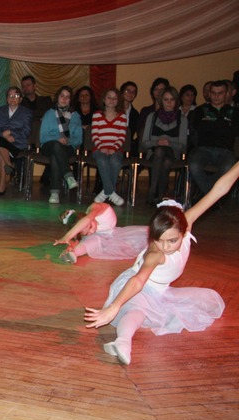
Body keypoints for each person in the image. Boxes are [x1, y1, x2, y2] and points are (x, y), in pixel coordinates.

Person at [84, 161, 239, 365]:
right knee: (136, 311)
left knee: (206, 302)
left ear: (184, 230)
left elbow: (218, 191)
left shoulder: (186, 222)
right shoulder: (155, 253)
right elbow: (138, 281)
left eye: (172, 241)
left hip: (160, 291)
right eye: (159, 239)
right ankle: (122, 342)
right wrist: (114, 306)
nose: (165, 246)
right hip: (137, 286)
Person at [188, 80, 239, 199]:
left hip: (225, 150)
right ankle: (213, 198)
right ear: (209, 94)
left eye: (220, 93)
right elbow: (197, 130)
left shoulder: (234, 112)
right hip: (203, 149)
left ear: (227, 94)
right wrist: (222, 126)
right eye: (213, 93)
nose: (216, 96)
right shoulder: (200, 110)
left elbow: (233, 132)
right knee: (194, 165)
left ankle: (207, 196)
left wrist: (212, 126)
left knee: (228, 168)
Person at [53, 202, 148, 264]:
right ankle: (73, 254)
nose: (91, 231)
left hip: (114, 233)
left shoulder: (96, 208)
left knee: (138, 240)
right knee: (90, 242)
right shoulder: (89, 230)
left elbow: (87, 219)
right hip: (100, 238)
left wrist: (67, 236)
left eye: (90, 227)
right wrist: (71, 247)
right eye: (87, 233)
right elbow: (79, 239)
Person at [140, 86, 188, 205]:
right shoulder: (152, 117)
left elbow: (183, 146)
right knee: (163, 158)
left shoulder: (182, 119)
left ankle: (152, 192)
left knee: (163, 154)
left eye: (172, 99)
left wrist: (169, 143)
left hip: (173, 153)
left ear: (176, 101)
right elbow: (144, 143)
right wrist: (156, 143)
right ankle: (160, 195)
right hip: (153, 152)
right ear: (161, 101)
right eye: (166, 99)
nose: (169, 103)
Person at [39, 86, 82, 204]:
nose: (64, 99)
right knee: (56, 146)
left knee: (55, 156)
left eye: (67, 97)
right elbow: (42, 137)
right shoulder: (49, 113)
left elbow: (78, 139)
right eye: (62, 96)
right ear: (57, 97)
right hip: (48, 145)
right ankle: (68, 175)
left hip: (67, 147)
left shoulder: (75, 116)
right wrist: (57, 139)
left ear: (70, 100)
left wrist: (68, 141)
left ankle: (54, 193)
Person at [0, 86, 32, 196]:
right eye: (10, 96)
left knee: (0, 148)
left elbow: (26, 131)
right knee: (0, 142)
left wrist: (12, 133)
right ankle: (10, 165)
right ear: (6, 98)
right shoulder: (0, 110)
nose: (12, 98)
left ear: (20, 99)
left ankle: (2, 186)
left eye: (16, 96)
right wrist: (3, 135)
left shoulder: (26, 112)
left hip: (16, 143)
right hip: (1, 140)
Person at [90, 88, 128, 206]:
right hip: (99, 148)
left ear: (118, 100)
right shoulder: (97, 115)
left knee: (115, 161)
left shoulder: (122, 116)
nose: (111, 100)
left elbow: (122, 136)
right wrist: (101, 147)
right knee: (102, 160)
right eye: (109, 97)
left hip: (116, 149)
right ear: (104, 99)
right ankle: (111, 192)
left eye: (115, 98)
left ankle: (105, 192)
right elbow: (95, 135)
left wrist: (114, 148)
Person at [120, 81, 140, 156]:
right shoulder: (113, 109)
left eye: (133, 92)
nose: (130, 93)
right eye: (127, 91)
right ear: (122, 93)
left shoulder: (135, 114)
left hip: (127, 146)